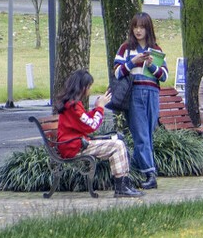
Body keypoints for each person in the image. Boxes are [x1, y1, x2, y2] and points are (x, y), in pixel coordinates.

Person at [53, 69, 143, 198]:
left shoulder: (71, 103)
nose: (89, 90)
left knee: (117, 142)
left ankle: (123, 184)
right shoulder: (74, 106)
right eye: (89, 86)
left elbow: (84, 121)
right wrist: (100, 107)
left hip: (74, 144)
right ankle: (122, 185)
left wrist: (97, 108)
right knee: (117, 145)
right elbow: (92, 125)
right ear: (83, 87)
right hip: (74, 147)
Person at [114, 13, 167, 189]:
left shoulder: (156, 49)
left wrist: (151, 65)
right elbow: (117, 72)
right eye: (135, 27)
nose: (138, 30)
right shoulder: (126, 48)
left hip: (152, 93)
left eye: (142, 27)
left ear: (148, 29)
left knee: (147, 134)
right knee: (141, 134)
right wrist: (133, 62)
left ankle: (136, 168)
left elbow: (164, 76)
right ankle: (150, 174)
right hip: (134, 92)